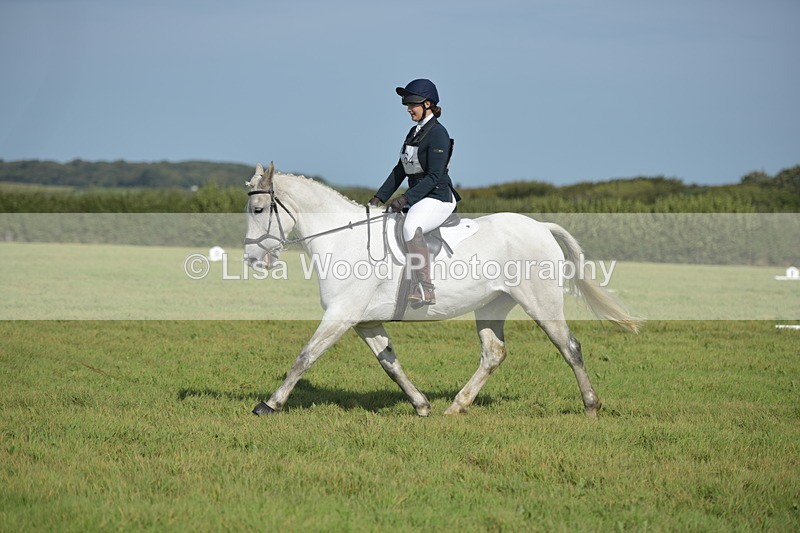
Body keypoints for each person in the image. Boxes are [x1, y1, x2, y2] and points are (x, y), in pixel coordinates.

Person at [369, 78, 461, 305]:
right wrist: (378, 197)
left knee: (411, 226)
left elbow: (434, 176)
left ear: (428, 104)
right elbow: (401, 169)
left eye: (413, 104)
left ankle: (426, 288)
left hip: (438, 196)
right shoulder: (414, 132)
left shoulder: (438, 133)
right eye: (407, 104)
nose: (409, 109)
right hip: (421, 197)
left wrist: (406, 198)